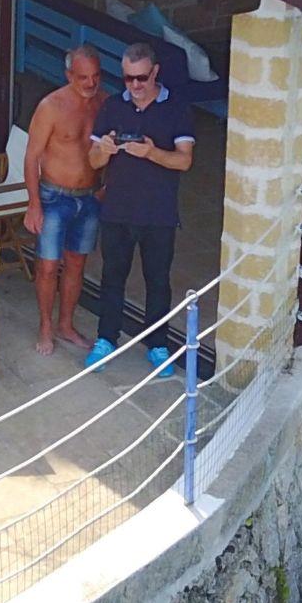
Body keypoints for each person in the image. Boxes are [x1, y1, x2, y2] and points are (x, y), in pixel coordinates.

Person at [86, 41, 194, 376]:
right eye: (128, 78)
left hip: (158, 214)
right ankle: (106, 339)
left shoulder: (176, 108)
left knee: (158, 282)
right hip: (117, 210)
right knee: (112, 278)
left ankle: (158, 345)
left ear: (155, 72)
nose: (134, 85)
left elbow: (184, 161)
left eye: (141, 78)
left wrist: (151, 153)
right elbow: (93, 161)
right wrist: (104, 150)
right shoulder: (112, 106)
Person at [21, 46, 105, 355]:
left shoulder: (104, 103)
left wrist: (106, 186)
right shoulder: (51, 106)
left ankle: (66, 324)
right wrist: (34, 204)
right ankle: (45, 325)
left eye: (95, 76)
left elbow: (113, 147)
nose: (90, 83)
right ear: (69, 75)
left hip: (90, 196)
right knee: (47, 266)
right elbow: (31, 157)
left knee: (76, 264)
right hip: (54, 196)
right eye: (83, 77)